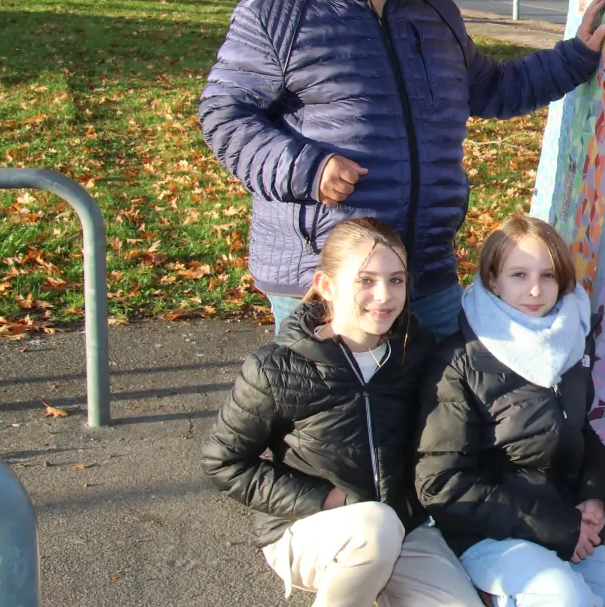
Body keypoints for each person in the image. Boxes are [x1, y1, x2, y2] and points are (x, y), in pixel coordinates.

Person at [199, 0, 605, 339]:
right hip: (329, 275)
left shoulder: (435, 12)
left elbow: (493, 89)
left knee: (443, 408)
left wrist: (576, 57)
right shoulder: (276, 12)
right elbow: (224, 115)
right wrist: (308, 170)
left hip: (426, 268)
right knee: (339, 413)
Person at [202, 218, 482, 607]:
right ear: (326, 286)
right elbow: (225, 462)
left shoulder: (415, 351)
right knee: (375, 528)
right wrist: (329, 499)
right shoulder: (277, 368)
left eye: (396, 280)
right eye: (365, 280)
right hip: (307, 528)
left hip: (402, 526)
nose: (384, 296)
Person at [415, 215, 605, 607]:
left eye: (549, 276)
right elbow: (440, 483)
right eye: (519, 275)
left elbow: (576, 430)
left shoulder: (570, 342)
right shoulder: (458, 361)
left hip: (563, 522)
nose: (536, 290)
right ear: (492, 280)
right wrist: (556, 528)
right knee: (566, 599)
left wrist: (596, 496)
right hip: (488, 532)